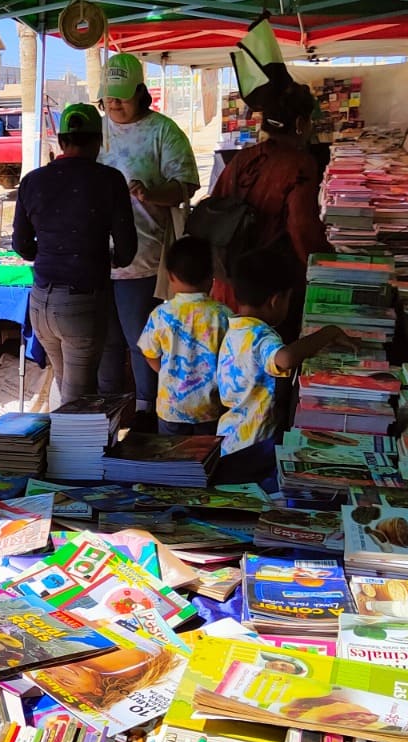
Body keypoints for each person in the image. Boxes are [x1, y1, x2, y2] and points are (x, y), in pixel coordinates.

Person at [97, 52, 200, 430]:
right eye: (108, 97)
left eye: (122, 96)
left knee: (142, 340)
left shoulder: (163, 131)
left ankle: (146, 412)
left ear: (142, 93)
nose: (114, 104)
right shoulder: (98, 129)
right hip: (97, 259)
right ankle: (107, 412)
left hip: (144, 256)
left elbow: (186, 184)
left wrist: (151, 194)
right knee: (106, 340)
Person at [13, 103, 137, 405]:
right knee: (77, 399)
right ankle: (71, 450)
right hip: (82, 302)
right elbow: (126, 250)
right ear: (98, 142)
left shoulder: (32, 181)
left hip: (41, 302)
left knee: (65, 383)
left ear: (61, 142)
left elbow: (22, 245)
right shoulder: (110, 180)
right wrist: (105, 258)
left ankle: (65, 446)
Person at [214, 245, 350, 486]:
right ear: (276, 300)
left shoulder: (235, 329)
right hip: (253, 444)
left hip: (230, 435)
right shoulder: (261, 335)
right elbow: (285, 358)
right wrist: (327, 333)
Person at [208, 80, 332, 326]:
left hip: (228, 283)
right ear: (299, 124)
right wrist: (330, 263)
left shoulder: (243, 158)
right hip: (267, 293)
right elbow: (302, 229)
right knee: (267, 358)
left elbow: (213, 206)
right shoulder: (299, 165)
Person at [137, 235, 227, 435]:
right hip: (210, 406)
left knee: (171, 459)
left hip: (171, 406)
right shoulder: (223, 315)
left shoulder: (161, 315)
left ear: (170, 277)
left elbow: (149, 353)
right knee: (206, 461)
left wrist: (167, 371)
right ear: (211, 276)